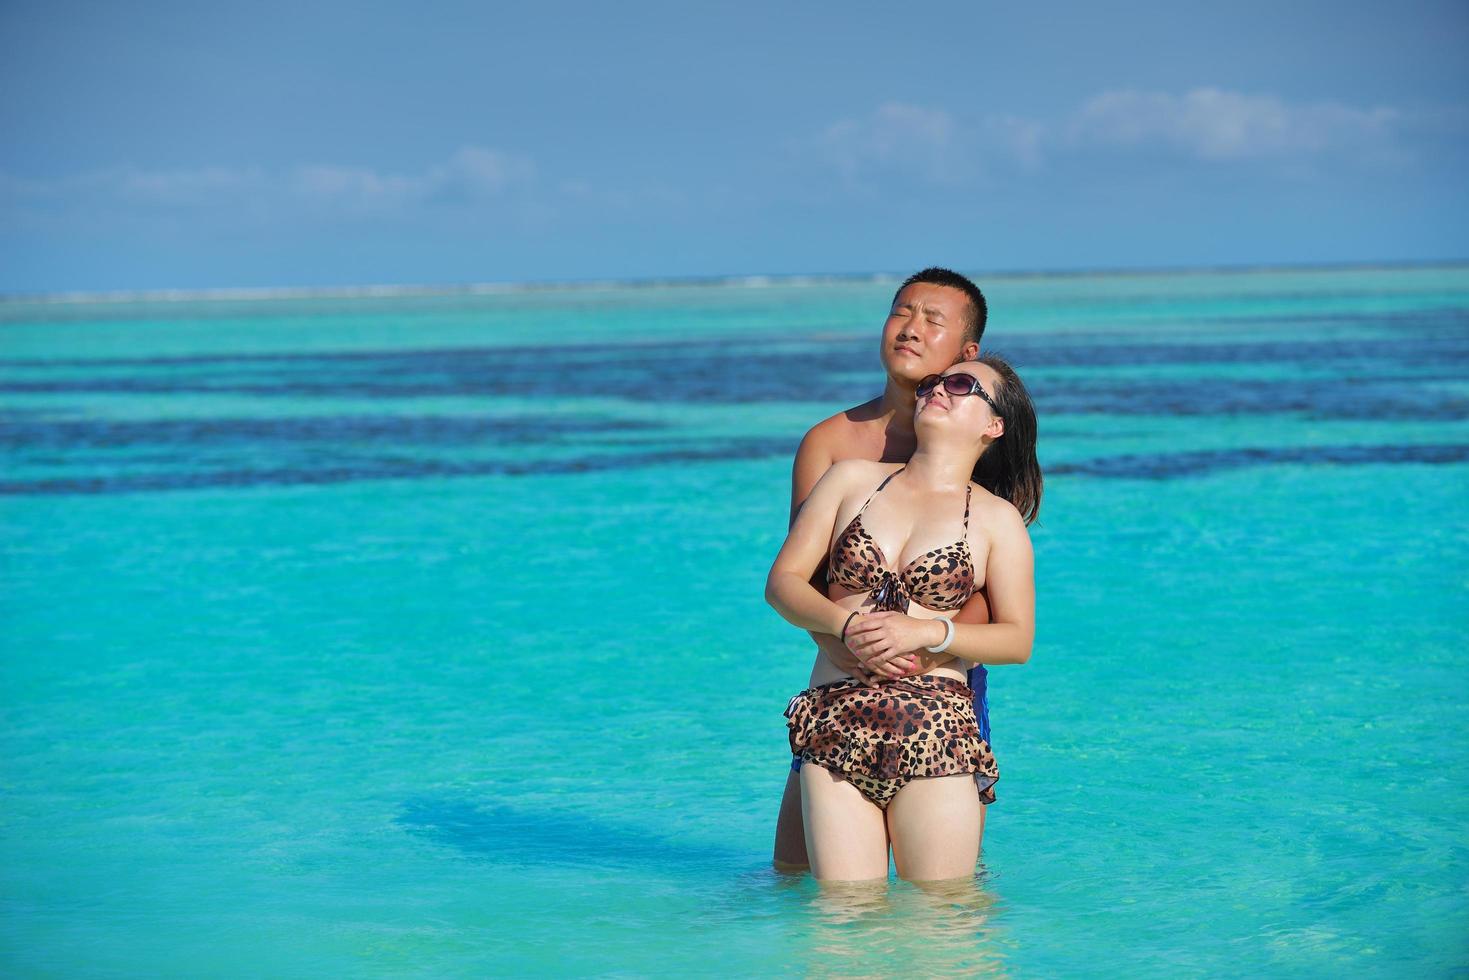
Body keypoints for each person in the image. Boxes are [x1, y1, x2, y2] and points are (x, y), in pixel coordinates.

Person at [765, 356, 1040, 881]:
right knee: (843, 924)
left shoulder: (997, 519)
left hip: (936, 728)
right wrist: (844, 627)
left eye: (961, 385)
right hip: (836, 719)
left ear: (993, 425)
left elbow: (1018, 639)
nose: (939, 388)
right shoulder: (850, 480)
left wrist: (931, 631)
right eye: (934, 383)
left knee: (945, 925)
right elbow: (783, 584)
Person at [773, 267, 995, 869]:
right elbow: (806, 573)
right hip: (839, 669)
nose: (911, 328)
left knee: (946, 884)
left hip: (942, 677)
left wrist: (925, 652)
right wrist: (847, 642)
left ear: (965, 352)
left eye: (933, 320)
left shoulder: (976, 437)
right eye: (902, 312)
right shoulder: (831, 444)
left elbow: (991, 590)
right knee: (794, 873)